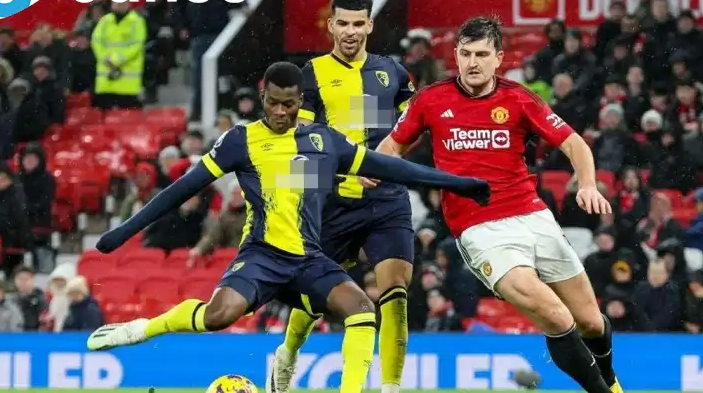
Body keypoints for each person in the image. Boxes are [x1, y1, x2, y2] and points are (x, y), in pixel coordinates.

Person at [85, 62, 490, 393]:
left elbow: (391, 167)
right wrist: (123, 232)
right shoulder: (240, 140)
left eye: (290, 104)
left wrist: (459, 183)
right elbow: (182, 189)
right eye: (274, 103)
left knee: (362, 310)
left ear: (301, 102)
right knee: (218, 316)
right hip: (262, 255)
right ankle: (142, 329)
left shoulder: (324, 141)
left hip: (309, 259)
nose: (281, 112)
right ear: (263, 98)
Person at [379, 16, 621, 393]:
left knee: (590, 321)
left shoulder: (519, 98)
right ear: (455, 56)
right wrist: (371, 171)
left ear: (499, 58)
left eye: (481, 54)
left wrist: (587, 184)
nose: (472, 62)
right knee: (556, 316)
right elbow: (390, 148)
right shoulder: (431, 99)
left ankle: (612, 384)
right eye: (465, 54)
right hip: (480, 229)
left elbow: (574, 143)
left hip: (534, 217)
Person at [271, 0, 417, 393]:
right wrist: (347, 171)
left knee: (396, 291)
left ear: (369, 25)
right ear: (331, 25)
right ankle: (288, 353)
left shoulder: (394, 73)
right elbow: (299, 142)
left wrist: (390, 156)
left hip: (387, 200)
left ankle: (390, 387)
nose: (350, 31)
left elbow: (413, 125)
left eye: (358, 24)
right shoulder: (311, 75)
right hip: (334, 202)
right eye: (343, 24)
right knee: (314, 297)